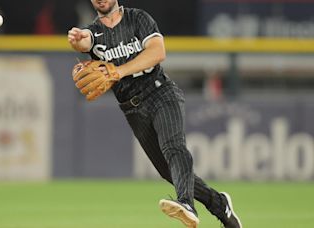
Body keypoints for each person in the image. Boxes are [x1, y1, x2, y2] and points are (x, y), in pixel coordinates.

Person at [67, 1, 242, 227]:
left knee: (174, 146)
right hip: (132, 108)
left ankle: (187, 203)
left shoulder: (138, 18)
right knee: (169, 172)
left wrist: (118, 71)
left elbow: (158, 52)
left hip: (160, 93)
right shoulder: (93, 32)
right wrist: (77, 41)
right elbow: (85, 41)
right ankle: (219, 203)